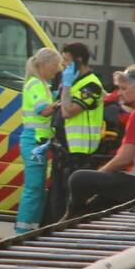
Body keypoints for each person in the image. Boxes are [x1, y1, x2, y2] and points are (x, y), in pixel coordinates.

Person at [64, 65, 135, 217]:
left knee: (78, 179)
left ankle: (70, 216)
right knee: (92, 209)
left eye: (124, 89)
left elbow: (124, 159)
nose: (119, 93)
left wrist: (99, 175)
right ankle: (76, 218)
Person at [47, 42, 105, 221]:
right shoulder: (73, 81)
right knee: (56, 199)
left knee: (69, 201)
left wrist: (66, 86)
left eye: (66, 61)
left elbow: (67, 111)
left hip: (78, 153)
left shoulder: (92, 85)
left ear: (78, 61)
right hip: (62, 150)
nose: (62, 65)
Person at [15, 47, 62, 234]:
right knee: (34, 188)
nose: (57, 69)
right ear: (44, 64)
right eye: (55, 65)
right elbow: (43, 110)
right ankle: (23, 232)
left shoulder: (41, 84)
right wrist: (61, 103)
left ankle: (30, 229)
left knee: (38, 188)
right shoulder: (35, 84)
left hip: (38, 143)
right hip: (34, 143)